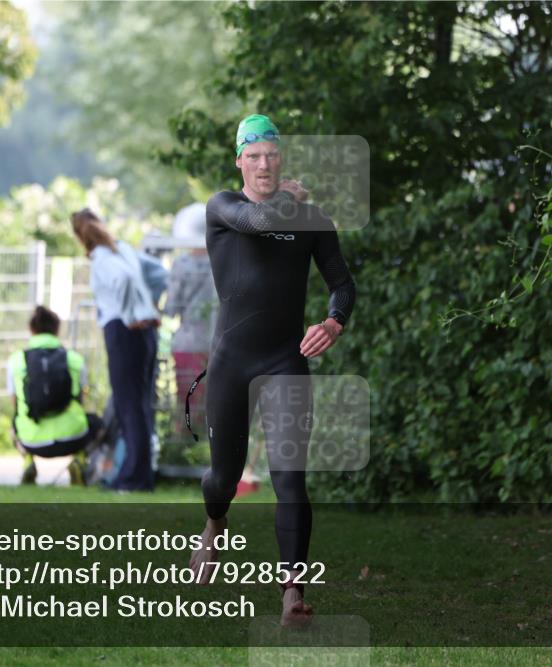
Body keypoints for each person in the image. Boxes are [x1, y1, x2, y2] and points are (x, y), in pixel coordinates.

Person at [187, 114, 356, 628]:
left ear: (281, 159)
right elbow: (260, 223)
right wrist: (288, 198)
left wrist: (334, 321)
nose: (263, 163)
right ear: (239, 160)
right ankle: (214, 527)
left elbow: (342, 284)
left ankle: (292, 593)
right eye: (253, 155)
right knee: (224, 476)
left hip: (285, 361)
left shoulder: (313, 219)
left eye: (272, 155)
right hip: (233, 362)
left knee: (290, 479)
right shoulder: (223, 207)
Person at [71, 208, 168, 492]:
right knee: (141, 405)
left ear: (80, 235)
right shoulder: (123, 249)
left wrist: (129, 315)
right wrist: (148, 306)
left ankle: (133, 479)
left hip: (124, 331)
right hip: (146, 330)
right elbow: (160, 274)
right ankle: (140, 475)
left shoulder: (101, 258)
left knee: (129, 406)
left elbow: (123, 281)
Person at [8, 305, 104, 486]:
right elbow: (82, 399)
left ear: (31, 329)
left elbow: (15, 402)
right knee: (97, 424)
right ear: (57, 329)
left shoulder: (16, 360)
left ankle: (28, 461)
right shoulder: (74, 359)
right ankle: (80, 459)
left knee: (14, 421)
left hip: (31, 439)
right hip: (73, 438)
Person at [163, 203, 217, 436]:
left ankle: (183, 441)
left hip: (188, 342)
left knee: (186, 397)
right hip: (216, 340)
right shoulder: (220, 261)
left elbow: (171, 308)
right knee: (212, 399)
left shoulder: (182, 265)